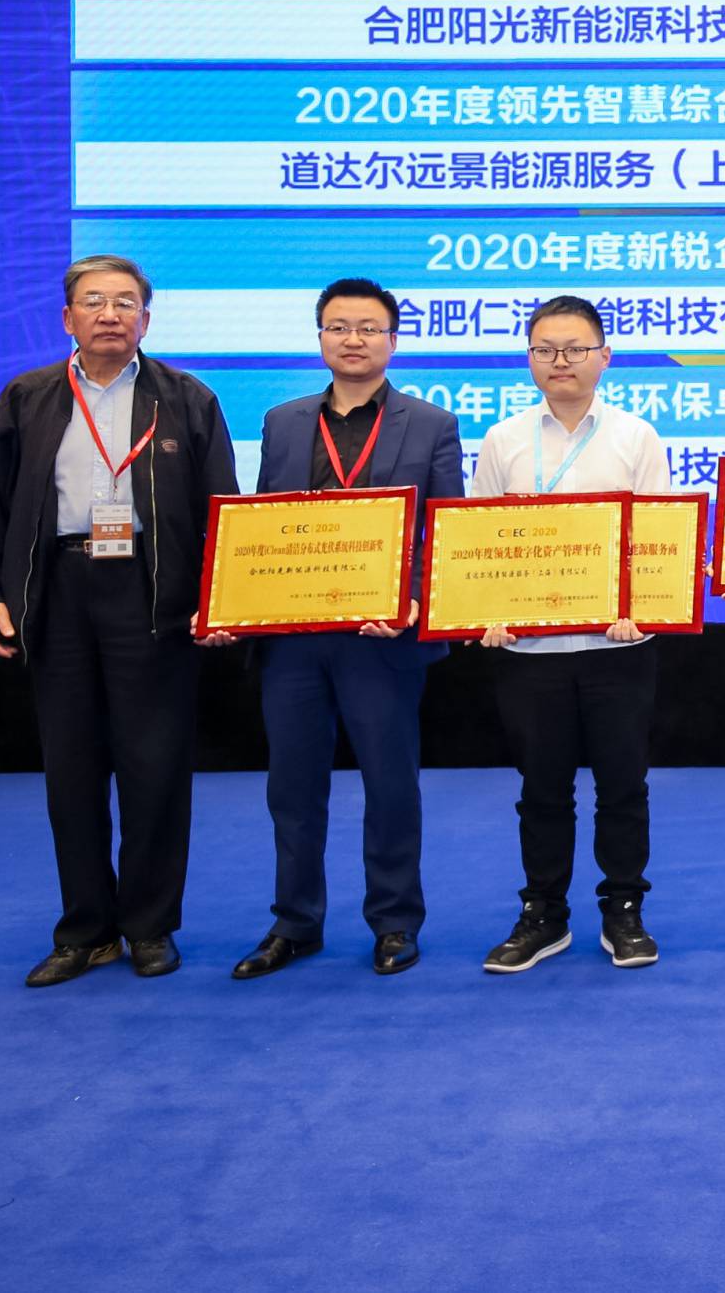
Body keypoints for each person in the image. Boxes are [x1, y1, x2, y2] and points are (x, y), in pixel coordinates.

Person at [0, 255, 237, 986]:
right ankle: (85, 930)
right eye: (94, 301)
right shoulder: (27, 397)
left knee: (155, 767)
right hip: (59, 591)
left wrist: (222, 595)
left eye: (125, 302)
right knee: (71, 770)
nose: (110, 314)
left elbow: (222, 508)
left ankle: (149, 926)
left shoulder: (187, 399)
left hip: (154, 593)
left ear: (147, 317)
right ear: (67, 318)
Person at [214, 278, 462, 979]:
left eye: (368, 328)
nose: (353, 339)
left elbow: (445, 528)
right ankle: (295, 923)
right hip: (294, 639)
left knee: (390, 784)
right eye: (339, 327)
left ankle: (395, 921)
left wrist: (412, 602)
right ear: (320, 336)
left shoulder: (432, 424)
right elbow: (263, 524)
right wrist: (237, 603)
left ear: (393, 340)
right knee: (292, 789)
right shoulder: (284, 420)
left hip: (382, 640)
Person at [469, 296, 671, 974]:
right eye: (545, 349)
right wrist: (487, 610)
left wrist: (643, 606)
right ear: (529, 359)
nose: (561, 361)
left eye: (576, 348)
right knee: (542, 790)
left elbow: (658, 540)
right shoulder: (503, 440)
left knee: (624, 786)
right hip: (530, 653)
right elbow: (480, 542)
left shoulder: (636, 437)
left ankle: (624, 909)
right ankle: (544, 915)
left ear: (604, 357)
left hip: (619, 647)